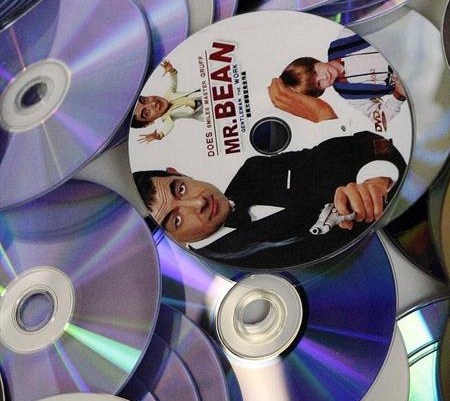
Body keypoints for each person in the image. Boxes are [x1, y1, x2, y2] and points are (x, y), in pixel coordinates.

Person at [133, 130, 406, 269]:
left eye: (180, 189)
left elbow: (354, 147)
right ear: (174, 241)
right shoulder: (226, 271)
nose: (198, 203)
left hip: (407, 217)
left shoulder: (253, 170)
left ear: (179, 173)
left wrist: (376, 177)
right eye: (176, 220)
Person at [271, 34, 407, 132]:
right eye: (319, 84)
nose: (324, 77)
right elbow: (379, 123)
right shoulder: (348, 92)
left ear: (312, 61)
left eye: (315, 72)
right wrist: (398, 96)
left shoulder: (342, 42)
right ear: (320, 91)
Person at [131, 60, 201, 143]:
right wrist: (158, 135)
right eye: (146, 113)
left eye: (145, 100)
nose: (153, 103)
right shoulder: (166, 117)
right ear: (149, 123)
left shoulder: (168, 95)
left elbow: (173, 84)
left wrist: (172, 71)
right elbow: (168, 126)